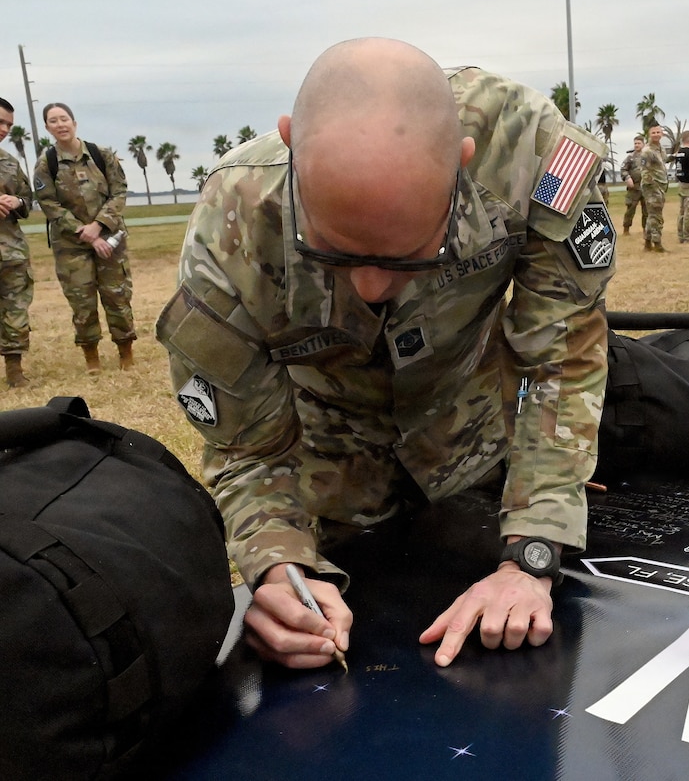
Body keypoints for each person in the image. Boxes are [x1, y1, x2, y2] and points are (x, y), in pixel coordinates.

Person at [156, 38, 615, 671]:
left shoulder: (533, 159)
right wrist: (280, 566)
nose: (371, 287)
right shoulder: (232, 225)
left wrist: (532, 551)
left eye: (407, 257)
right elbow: (249, 446)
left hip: (474, 457)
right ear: (290, 146)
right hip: (331, 478)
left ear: (463, 165)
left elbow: (554, 361)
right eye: (337, 254)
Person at [33, 102, 136, 373]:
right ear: (47, 128)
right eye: (53, 121)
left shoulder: (101, 155)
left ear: (74, 123)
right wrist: (86, 233)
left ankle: (126, 351)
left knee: (117, 295)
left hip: (110, 238)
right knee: (82, 300)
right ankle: (92, 357)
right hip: (72, 244)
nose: (60, 125)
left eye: (64, 119)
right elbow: (49, 205)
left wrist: (99, 225)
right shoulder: (47, 164)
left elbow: (119, 192)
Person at [0, 97, 34, 388]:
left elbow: (29, 201)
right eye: (0, 122)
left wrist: (18, 201)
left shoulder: (10, 163)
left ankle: (15, 371)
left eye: (9, 125)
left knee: (15, 309)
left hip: (10, 252)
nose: (4, 129)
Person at [639, 124, 669, 252]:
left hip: (661, 185)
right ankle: (657, 243)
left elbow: (663, 163)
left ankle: (647, 242)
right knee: (656, 215)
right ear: (649, 134)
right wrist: (651, 185)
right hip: (652, 186)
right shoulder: (647, 151)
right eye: (653, 132)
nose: (656, 134)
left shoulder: (661, 149)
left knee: (652, 215)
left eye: (658, 132)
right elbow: (644, 170)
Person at [620, 135, 646, 235]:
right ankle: (626, 229)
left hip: (646, 187)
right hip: (634, 188)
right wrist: (627, 178)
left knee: (646, 210)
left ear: (643, 144)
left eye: (639, 143)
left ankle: (646, 229)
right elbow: (623, 169)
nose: (637, 145)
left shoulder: (647, 156)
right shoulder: (630, 157)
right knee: (630, 209)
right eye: (635, 143)